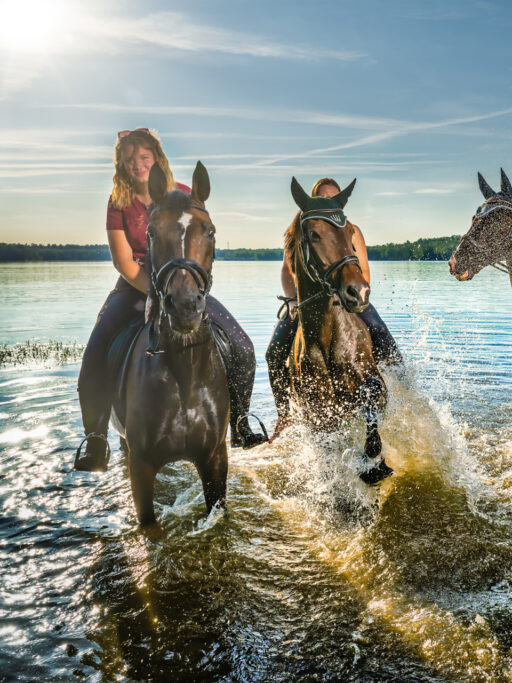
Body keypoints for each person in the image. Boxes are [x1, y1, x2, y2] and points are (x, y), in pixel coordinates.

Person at [74, 128, 264, 472]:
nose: (137, 165)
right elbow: (123, 261)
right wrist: (157, 293)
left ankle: (240, 425)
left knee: (243, 346)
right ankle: (97, 440)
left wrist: (185, 287)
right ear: (121, 165)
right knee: (94, 356)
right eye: (129, 160)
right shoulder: (118, 201)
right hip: (135, 287)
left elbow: (201, 237)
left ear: (157, 159)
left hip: (183, 286)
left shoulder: (185, 194)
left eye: (143, 157)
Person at [265, 177, 402, 426]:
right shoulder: (299, 229)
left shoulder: (350, 229)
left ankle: (402, 393)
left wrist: (349, 293)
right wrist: (293, 301)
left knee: (380, 330)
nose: (329, 203)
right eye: (323, 197)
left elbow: (364, 271)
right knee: (273, 352)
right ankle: (284, 416)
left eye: (333, 199)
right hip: (306, 301)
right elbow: (288, 271)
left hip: (347, 295)